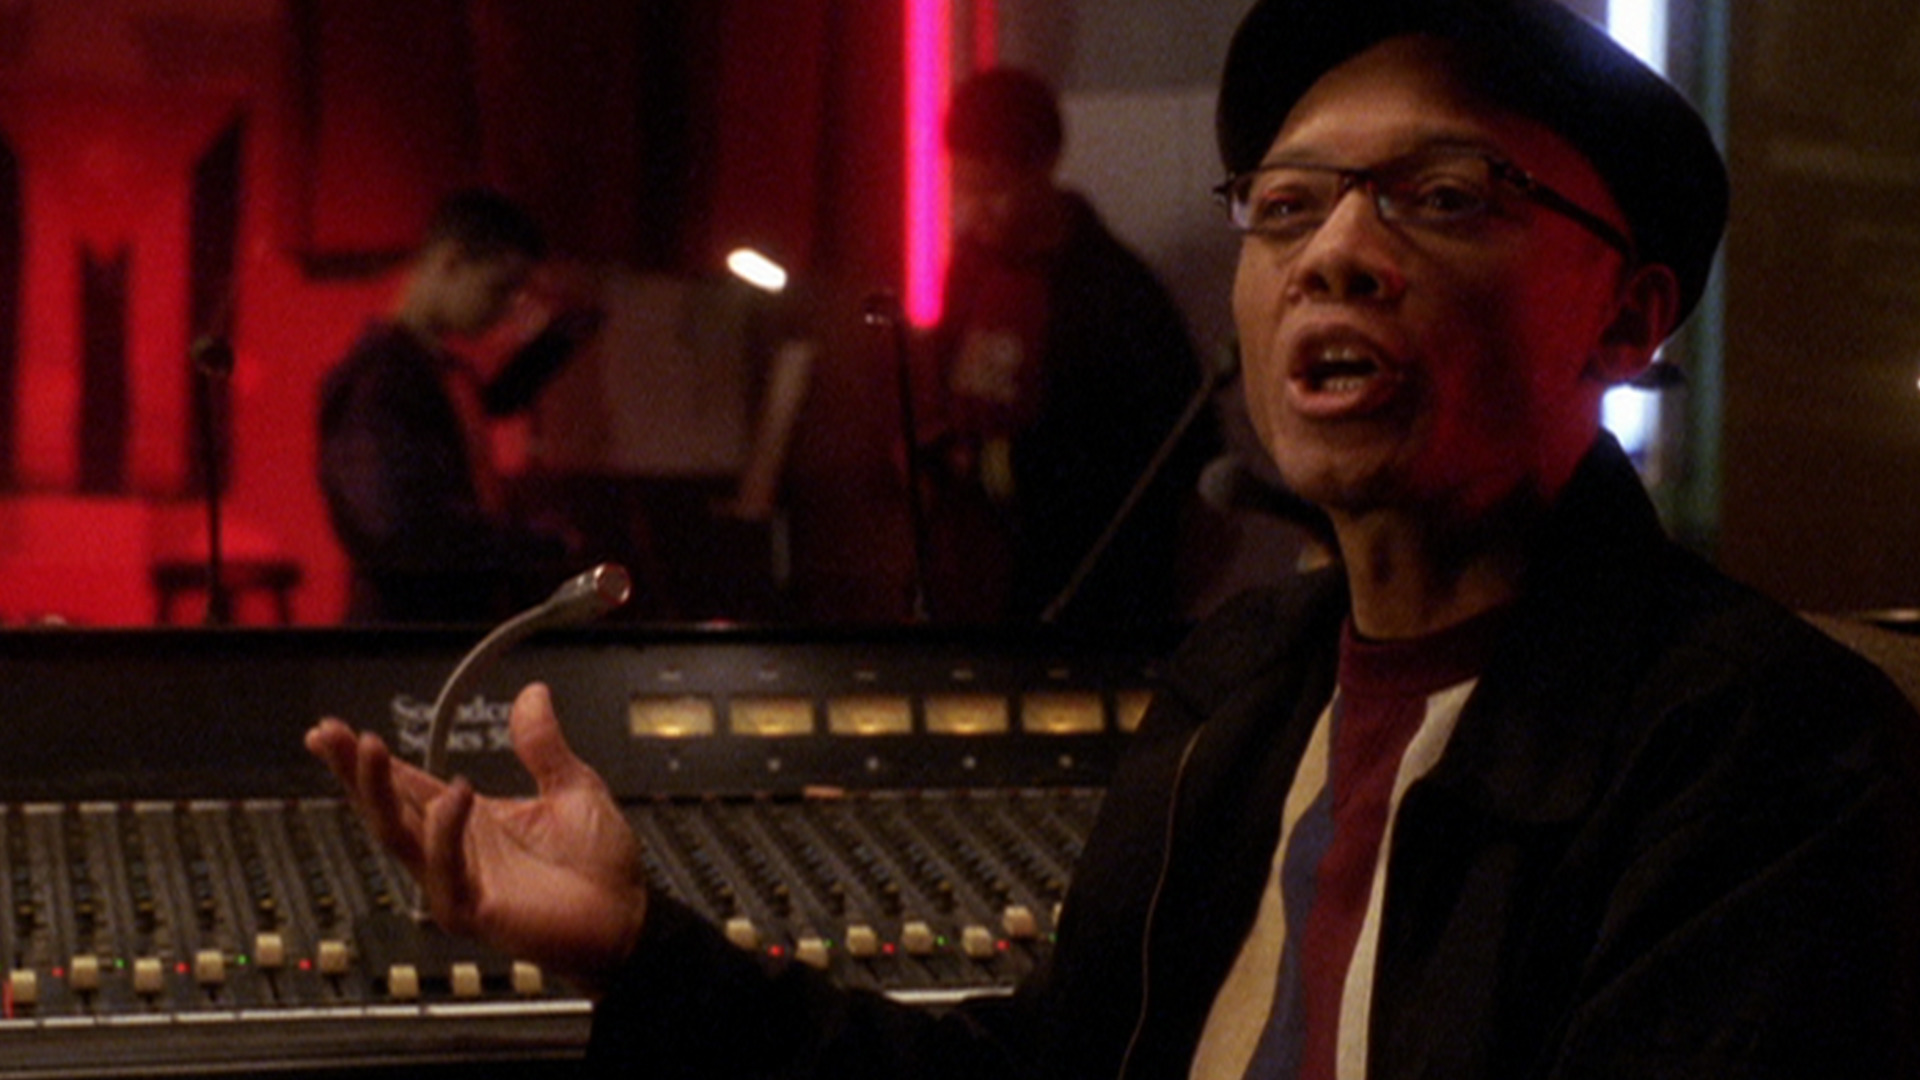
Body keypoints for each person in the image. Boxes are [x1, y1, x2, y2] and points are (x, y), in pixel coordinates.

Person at [306, 0, 1920, 1076]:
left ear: (1629, 320)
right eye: (1286, 205)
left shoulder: (1775, 760)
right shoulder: (1238, 690)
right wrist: (641, 950)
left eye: (1444, 196)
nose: (1335, 253)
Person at [918, 66, 1216, 626]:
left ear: (1044, 166)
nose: (975, 208)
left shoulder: (1116, 293)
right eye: (963, 186)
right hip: (979, 589)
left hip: (1091, 598)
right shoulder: (970, 268)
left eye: (993, 188)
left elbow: (1181, 459)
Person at [317, 187, 597, 623]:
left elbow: (490, 404)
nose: (504, 308)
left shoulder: (433, 368)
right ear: (450, 262)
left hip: (441, 625)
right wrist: (533, 545)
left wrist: (563, 331)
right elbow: (399, 533)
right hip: (406, 635)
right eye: (500, 287)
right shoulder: (379, 380)